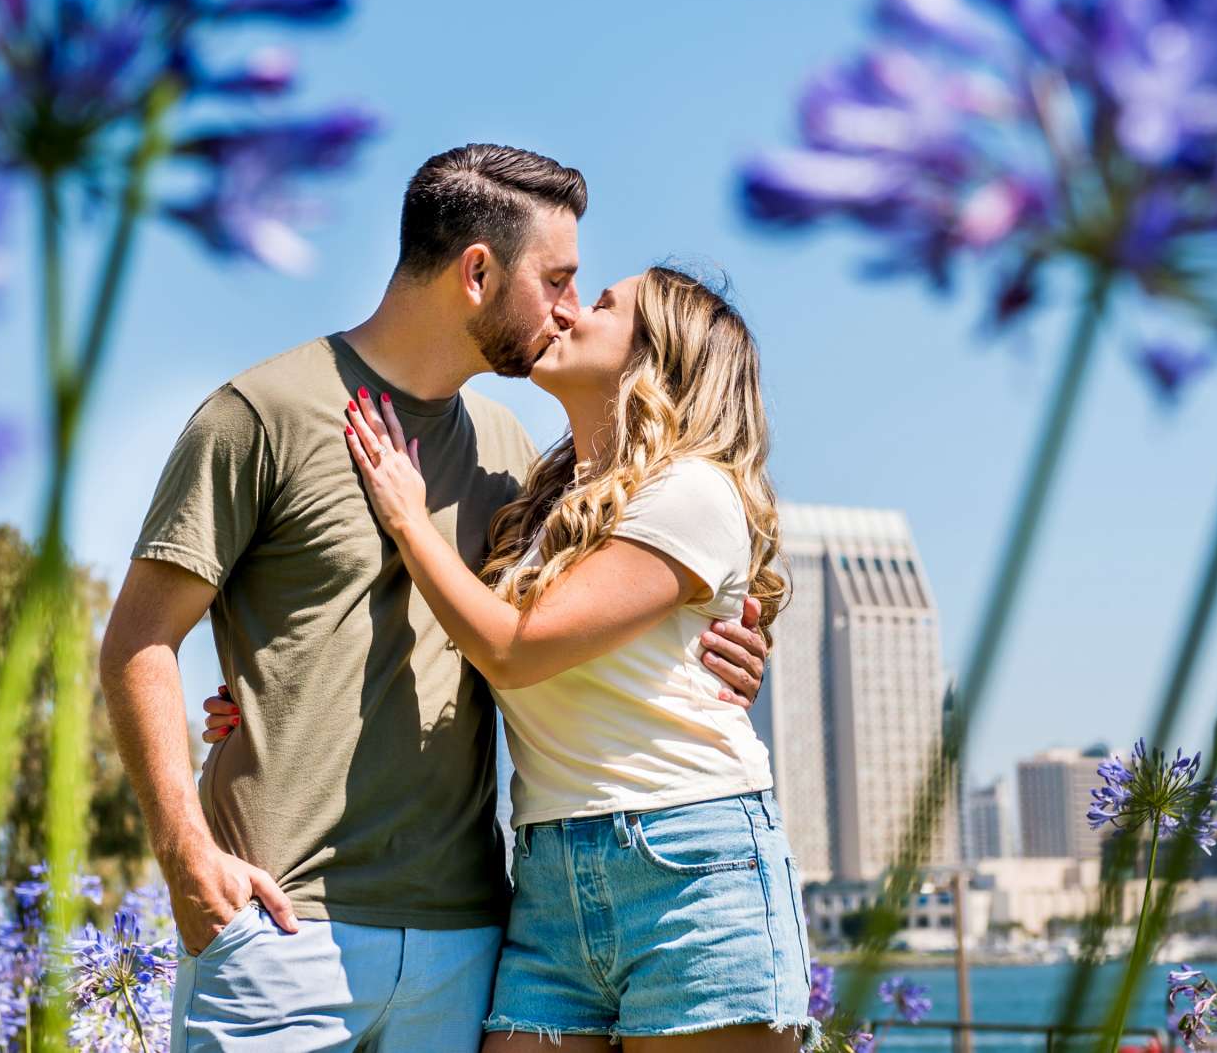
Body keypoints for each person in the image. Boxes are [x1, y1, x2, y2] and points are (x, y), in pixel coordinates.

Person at [97, 144, 771, 1053]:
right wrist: (185, 852)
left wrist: (720, 650)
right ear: (479, 272)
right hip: (280, 925)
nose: (569, 308)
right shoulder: (261, 415)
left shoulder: (509, 456)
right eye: (559, 280)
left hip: (473, 942)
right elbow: (137, 642)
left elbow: (573, 623)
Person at [213, 262, 815, 1049]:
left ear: (655, 358)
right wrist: (274, 696)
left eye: (601, 305)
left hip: (689, 868)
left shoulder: (693, 491)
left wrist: (408, 512)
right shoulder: (545, 502)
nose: (567, 313)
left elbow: (515, 648)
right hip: (547, 878)